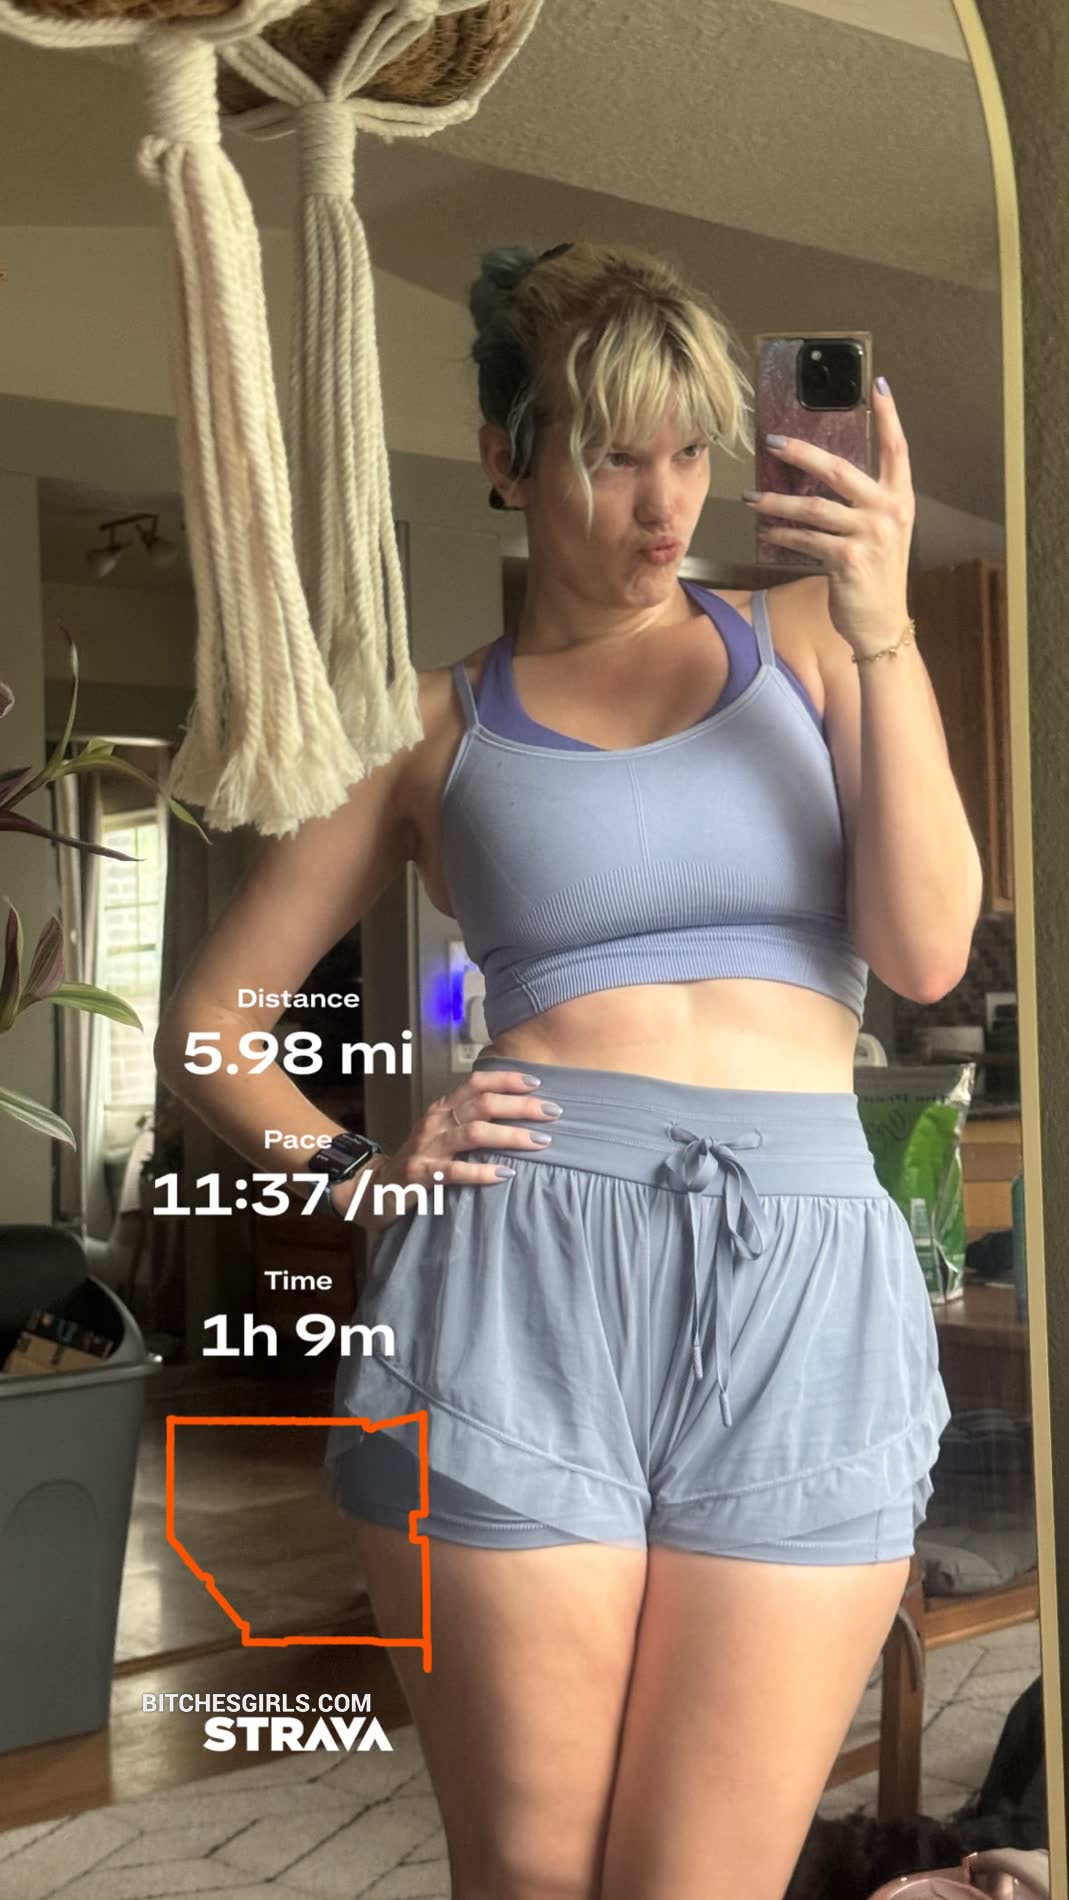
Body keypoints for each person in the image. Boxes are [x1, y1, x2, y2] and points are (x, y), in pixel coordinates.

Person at [155, 240, 982, 1900]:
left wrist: (887, 628)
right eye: (612, 455)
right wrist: (354, 1172)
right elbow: (210, 1027)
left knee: (701, 1878)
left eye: (689, 452)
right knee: (533, 1870)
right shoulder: (425, 726)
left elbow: (922, 955)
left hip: (804, 1284)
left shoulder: (821, 640)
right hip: (515, 1284)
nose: (664, 504)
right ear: (506, 455)